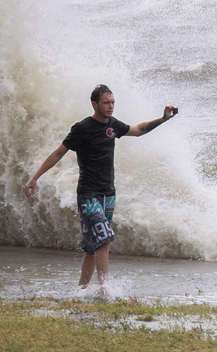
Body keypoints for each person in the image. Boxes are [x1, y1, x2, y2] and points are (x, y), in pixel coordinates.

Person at [24, 84, 178, 291]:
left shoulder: (113, 125)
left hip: (109, 194)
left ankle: (81, 290)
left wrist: (163, 119)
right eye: (106, 103)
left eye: (113, 102)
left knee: (92, 245)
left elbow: (138, 130)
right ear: (94, 104)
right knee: (104, 239)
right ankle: (105, 288)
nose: (111, 106)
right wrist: (35, 178)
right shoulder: (82, 128)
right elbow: (59, 153)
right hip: (88, 194)